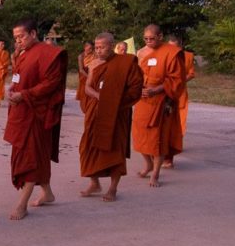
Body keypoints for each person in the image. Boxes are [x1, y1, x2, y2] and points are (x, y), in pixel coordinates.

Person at [3, 19, 67, 220]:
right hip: (21, 111)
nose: (18, 41)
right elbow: (18, 78)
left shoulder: (49, 54)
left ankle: (22, 204)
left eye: (21, 36)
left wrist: (25, 95)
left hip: (37, 112)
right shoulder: (22, 55)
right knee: (34, 154)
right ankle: (47, 193)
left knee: (31, 157)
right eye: (15, 38)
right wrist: (11, 90)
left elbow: (52, 83)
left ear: (32, 33)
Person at [79, 33, 143, 202]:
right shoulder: (93, 64)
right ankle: (94, 183)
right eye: (97, 47)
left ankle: (113, 188)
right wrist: (101, 97)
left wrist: (114, 101)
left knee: (115, 148)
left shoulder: (126, 62)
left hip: (117, 111)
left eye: (102, 47)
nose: (99, 50)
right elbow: (87, 88)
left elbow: (136, 88)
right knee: (87, 146)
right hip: (96, 111)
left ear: (112, 45)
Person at [132, 24, 185, 187]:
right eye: (146, 38)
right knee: (139, 134)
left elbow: (176, 79)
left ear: (160, 36)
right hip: (143, 99)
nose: (149, 41)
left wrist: (156, 90)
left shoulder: (171, 52)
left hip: (162, 100)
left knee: (158, 139)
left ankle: (155, 174)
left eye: (152, 38)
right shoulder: (141, 53)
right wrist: (138, 89)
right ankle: (147, 164)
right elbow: (134, 75)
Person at [166, 36, 195, 164]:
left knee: (181, 119)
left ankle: (176, 143)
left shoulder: (188, 56)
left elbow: (191, 73)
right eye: (170, 46)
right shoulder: (164, 56)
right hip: (166, 91)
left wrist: (181, 80)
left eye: (175, 46)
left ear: (180, 46)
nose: (172, 49)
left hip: (181, 92)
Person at [75, 41, 95, 112]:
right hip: (84, 77)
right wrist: (89, 77)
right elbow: (81, 70)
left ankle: (90, 110)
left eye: (92, 49)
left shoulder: (94, 55)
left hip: (93, 76)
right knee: (84, 94)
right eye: (89, 48)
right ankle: (85, 110)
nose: (91, 50)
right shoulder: (81, 56)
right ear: (85, 47)